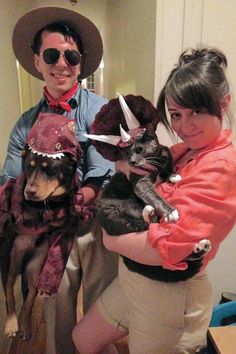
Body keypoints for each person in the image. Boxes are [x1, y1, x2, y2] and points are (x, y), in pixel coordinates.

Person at [72, 46, 236, 354]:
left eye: (197, 111)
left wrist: (112, 242)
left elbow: (167, 252)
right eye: (176, 114)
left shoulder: (221, 167)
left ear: (223, 103)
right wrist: (123, 165)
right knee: (84, 338)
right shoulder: (185, 150)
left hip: (170, 294)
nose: (185, 126)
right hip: (133, 279)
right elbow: (137, 170)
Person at [0, 6, 118, 354]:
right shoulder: (24, 124)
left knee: (103, 305)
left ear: (80, 63)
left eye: (71, 55)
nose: (61, 63)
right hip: (50, 229)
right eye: (51, 54)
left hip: (95, 224)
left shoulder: (101, 111)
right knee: (58, 305)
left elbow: (104, 170)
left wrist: (82, 196)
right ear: (36, 60)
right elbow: (10, 176)